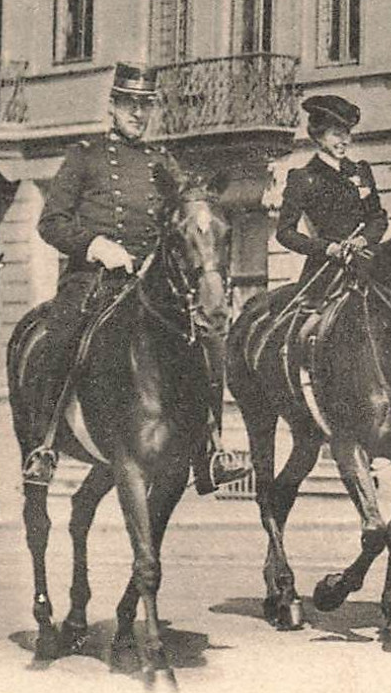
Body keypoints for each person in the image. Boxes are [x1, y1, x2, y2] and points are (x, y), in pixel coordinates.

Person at [26, 61, 249, 494]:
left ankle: (212, 449)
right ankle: (46, 445)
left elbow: (184, 213)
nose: (137, 114)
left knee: (207, 343)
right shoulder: (84, 156)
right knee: (62, 337)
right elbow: (50, 223)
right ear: (112, 106)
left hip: (148, 282)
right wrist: (97, 246)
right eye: (129, 104)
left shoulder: (162, 163)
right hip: (93, 280)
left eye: (145, 106)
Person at [275, 94, 389, 289]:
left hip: (368, 262)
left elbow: (378, 218)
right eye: (337, 134)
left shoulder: (360, 171)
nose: (345, 141)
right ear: (319, 137)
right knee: (312, 317)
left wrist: (363, 239)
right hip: (327, 268)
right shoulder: (303, 178)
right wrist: (327, 248)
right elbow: (285, 232)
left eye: (347, 134)